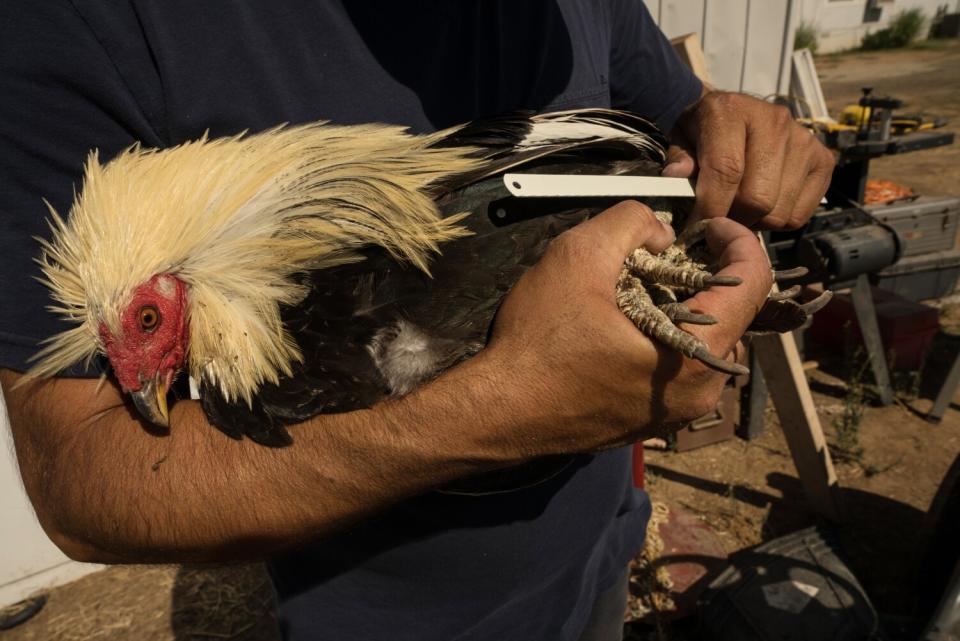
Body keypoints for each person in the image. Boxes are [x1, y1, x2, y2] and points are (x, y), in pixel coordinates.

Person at [0, 1, 834, 640]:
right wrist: (500, 408)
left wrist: (736, 132)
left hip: (599, 551)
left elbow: (682, 118)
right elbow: (82, 477)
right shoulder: (79, 24)